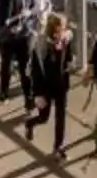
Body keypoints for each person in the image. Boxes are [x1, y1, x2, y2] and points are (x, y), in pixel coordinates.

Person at [0, 0, 51, 103]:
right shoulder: (4, 1)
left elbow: (34, 11)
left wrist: (29, 17)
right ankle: (3, 93)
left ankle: (29, 100)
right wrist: (8, 30)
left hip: (25, 36)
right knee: (6, 66)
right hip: (7, 39)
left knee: (25, 69)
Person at [24, 13, 76, 156]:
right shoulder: (42, 48)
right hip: (46, 87)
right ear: (54, 29)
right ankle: (30, 123)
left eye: (65, 28)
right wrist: (38, 94)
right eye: (62, 28)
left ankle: (58, 147)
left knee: (61, 117)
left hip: (61, 85)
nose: (64, 31)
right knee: (44, 118)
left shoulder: (65, 40)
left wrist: (71, 64)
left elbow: (68, 55)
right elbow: (36, 73)